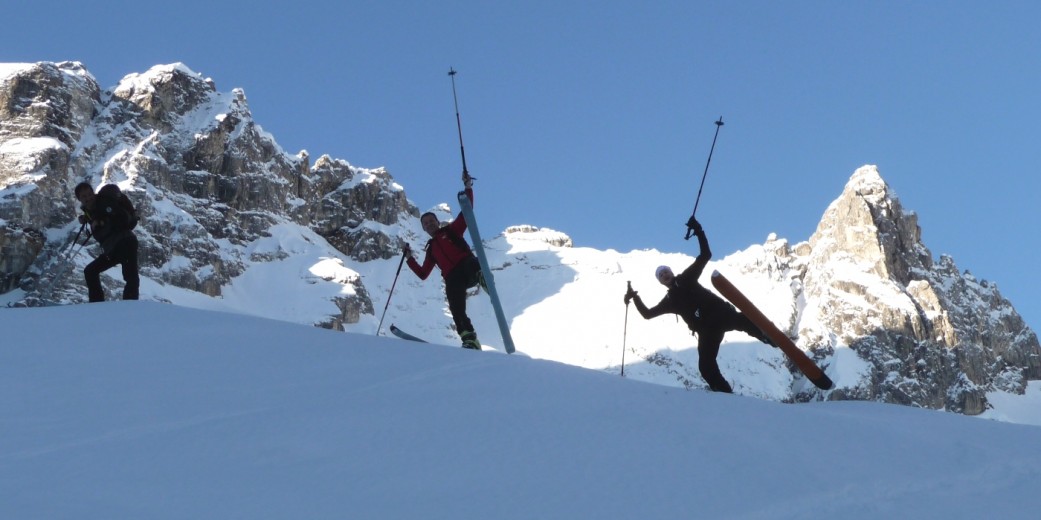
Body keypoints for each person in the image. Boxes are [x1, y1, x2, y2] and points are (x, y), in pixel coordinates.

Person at [625, 217, 773, 393]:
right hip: (706, 330)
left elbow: (705, 255)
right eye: (661, 274)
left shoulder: (686, 277)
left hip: (720, 314)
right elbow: (647, 314)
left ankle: (767, 336)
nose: (664, 274)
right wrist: (634, 298)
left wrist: (699, 231)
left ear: (671, 272)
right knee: (705, 366)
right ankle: (723, 391)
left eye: (666, 271)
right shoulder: (669, 301)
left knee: (743, 322)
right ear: (660, 282)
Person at [403, 173, 484, 350]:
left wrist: (468, 187)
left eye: (431, 221)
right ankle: (470, 339)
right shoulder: (431, 249)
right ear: (424, 229)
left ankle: (483, 277)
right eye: (425, 224)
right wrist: (409, 258)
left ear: (437, 222)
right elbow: (423, 273)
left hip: (467, 266)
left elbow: (467, 212)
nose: (429, 224)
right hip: (452, 278)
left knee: (472, 263)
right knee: (456, 309)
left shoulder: (451, 231)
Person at [74, 182, 140, 302]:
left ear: (93, 193)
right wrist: (88, 219)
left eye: (89, 194)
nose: (88, 198)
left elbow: (122, 219)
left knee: (130, 276)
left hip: (125, 243)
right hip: (113, 248)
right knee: (90, 271)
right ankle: (97, 305)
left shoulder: (104, 204)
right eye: (84, 196)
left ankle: (130, 308)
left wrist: (101, 222)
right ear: (79, 199)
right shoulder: (91, 211)